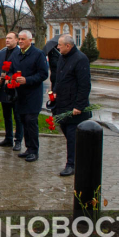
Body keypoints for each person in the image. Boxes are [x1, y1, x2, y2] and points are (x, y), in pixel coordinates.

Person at [7, 30, 48, 162]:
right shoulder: (16, 54)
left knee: (31, 122)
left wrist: (27, 80)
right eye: (19, 39)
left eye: (23, 39)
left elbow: (43, 74)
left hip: (33, 95)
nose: (20, 41)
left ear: (30, 40)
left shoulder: (38, 54)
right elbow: (10, 70)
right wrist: (10, 78)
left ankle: (34, 150)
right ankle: (28, 148)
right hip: (20, 95)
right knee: (23, 121)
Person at [53, 34, 91, 177]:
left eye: (60, 45)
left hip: (74, 107)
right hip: (61, 103)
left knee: (72, 136)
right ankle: (79, 159)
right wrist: (54, 92)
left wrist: (79, 106)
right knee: (67, 134)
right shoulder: (62, 57)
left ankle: (71, 165)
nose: (58, 47)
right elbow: (59, 78)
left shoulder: (80, 59)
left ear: (68, 46)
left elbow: (84, 85)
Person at [0, 32, 23, 151]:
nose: (7, 40)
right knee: (6, 116)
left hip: (15, 90)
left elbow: (20, 70)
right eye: (6, 38)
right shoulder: (1, 53)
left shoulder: (19, 53)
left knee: (17, 116)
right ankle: (8, 138)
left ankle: (18, 140)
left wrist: (10, 77)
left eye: (10, 38)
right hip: (4, 89)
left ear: (16, 40)